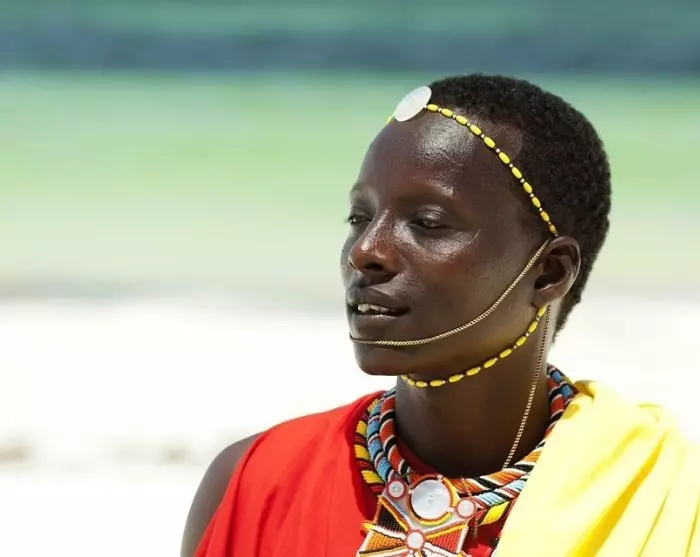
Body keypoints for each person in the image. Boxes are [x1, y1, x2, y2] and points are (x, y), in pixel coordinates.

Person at [181, 74, 700, 557]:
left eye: (427, 222)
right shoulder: (256, 483)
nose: (365, 250)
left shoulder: (667, 496)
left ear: (549, 273)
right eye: (359, 217)